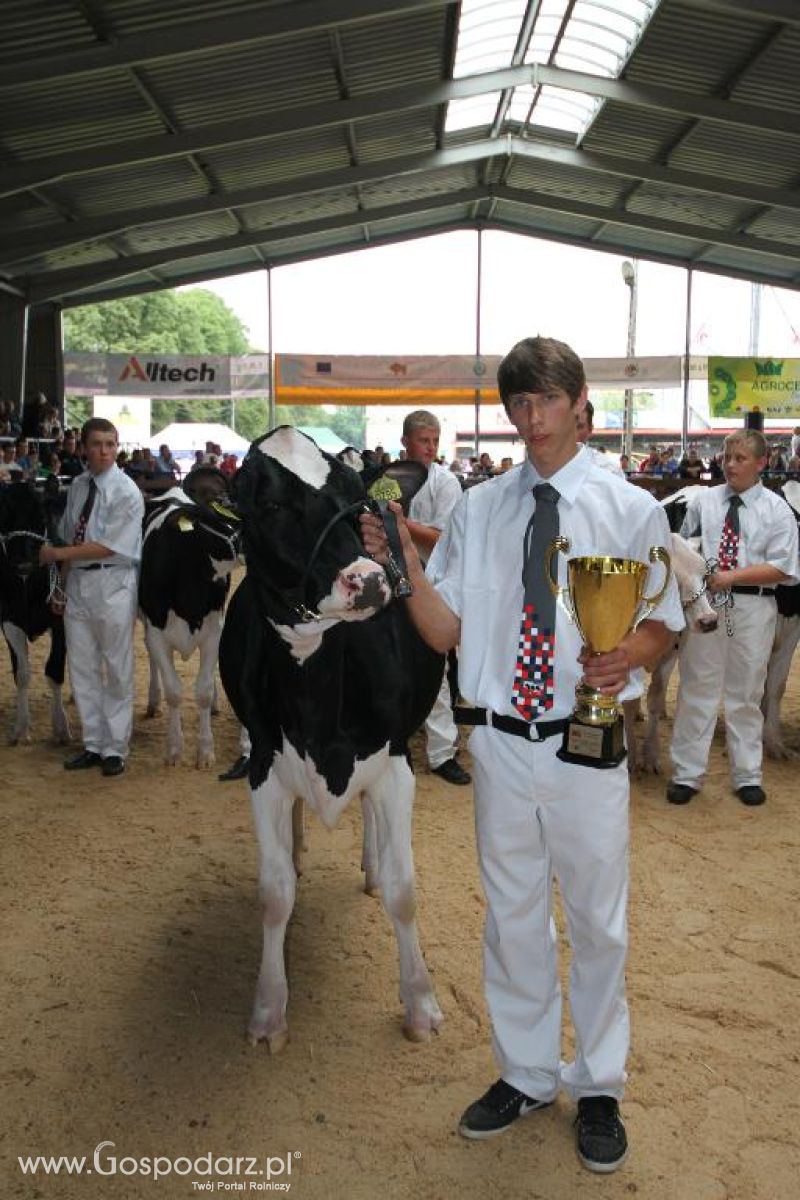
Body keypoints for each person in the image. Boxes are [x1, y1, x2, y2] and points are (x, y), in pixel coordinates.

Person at [361, 336, 682, 1173]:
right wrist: (403, 562)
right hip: (501, 742)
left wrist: (631, 655)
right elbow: (448, 631)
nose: (531, 419)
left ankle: (600, 1082)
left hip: (587, 743)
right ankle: (528, 1073)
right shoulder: (481, 509)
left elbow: (661, 619)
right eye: (518, 404)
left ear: (580, 403)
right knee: (511, 920)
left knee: (597, 920)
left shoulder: (629, 509)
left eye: (545, 400)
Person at [667, 429, 799, 808]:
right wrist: (696, 573)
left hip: (754, 606)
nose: (730, 465)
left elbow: (782, 567)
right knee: (697, 687)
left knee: (746, 692)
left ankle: (747, 775)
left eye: (740, 458)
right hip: (707, 604)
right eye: (727, 457)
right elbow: (683, 546)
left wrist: (731, 576)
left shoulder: (776, 510)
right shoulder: (703, 503)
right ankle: (687, 774)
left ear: (761, 463)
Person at [39, 418, 144, 778]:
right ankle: (93, 743)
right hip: (79, 584)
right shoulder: (79, 486)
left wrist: (57, 556)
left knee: (116, 667)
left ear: (117, 447)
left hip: (113, 583)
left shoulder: (126, 491)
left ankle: (115, 748)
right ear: (83, 447)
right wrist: (61, 586)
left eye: (110, 444)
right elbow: (73, 535)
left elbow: (106, 547)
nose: (104, 451)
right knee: (81, 666)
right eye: (97, 444)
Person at [401, 409, 471, 787]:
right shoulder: (386, 483)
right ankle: (391, 741)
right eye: (423, 440)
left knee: (434, 664)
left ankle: (443, 751)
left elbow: (442, 539)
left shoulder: (446, 484)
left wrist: (398, 523)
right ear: (406, 442)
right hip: (384, 579)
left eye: (434, 440)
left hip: (432, 583)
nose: (430, 447)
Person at [575, 400, 625, 477]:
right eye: (565, 426)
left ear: (590, 429)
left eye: (578, 427)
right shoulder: (550, 471)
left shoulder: (609, 470)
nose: (570, 433)